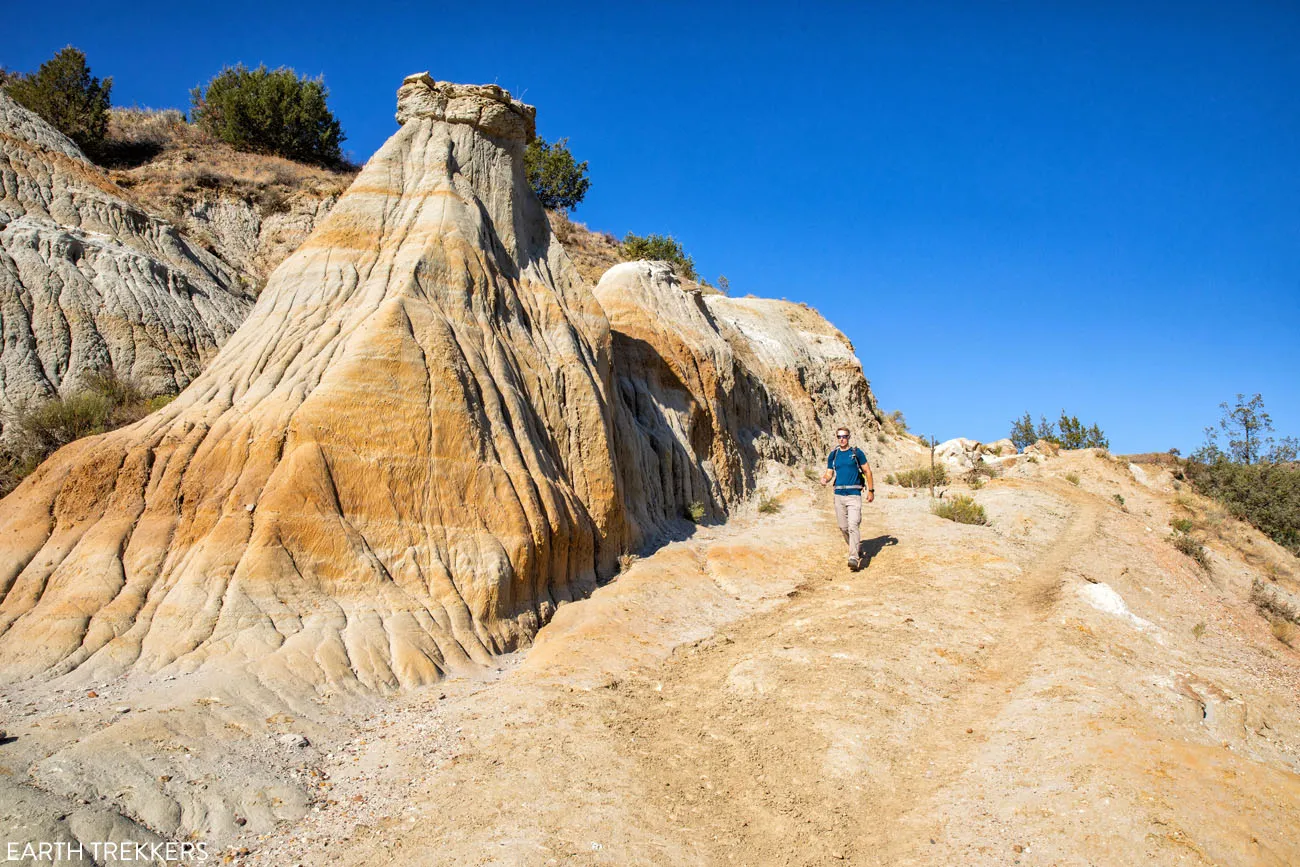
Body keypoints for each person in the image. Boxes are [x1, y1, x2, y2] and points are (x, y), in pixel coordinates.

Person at [820, 426, 875, 570]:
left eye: (844, 436)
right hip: (839, 495)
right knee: (843, 527)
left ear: (849, 437)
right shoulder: (834, 455)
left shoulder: (856, 453)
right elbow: (829, 473)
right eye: (839, 436)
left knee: (853, 525)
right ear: (837, 438)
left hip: (854, 495)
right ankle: (856, 547)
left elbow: (867, 471)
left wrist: (871, 490)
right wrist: (825, 479)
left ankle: (853, 558)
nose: (842, 439)